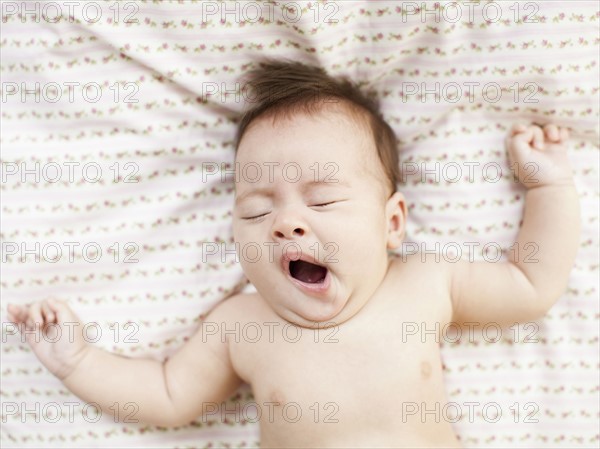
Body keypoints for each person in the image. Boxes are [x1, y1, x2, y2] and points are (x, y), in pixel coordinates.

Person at [7, 60, 581, 448]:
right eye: (257, 211)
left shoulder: (426, 284)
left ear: (393, 223)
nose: (285, 224)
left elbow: (531, 282)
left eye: (323, 198)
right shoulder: (241, 325)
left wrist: (547, 187)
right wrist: (78, 363)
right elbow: (167, 395)